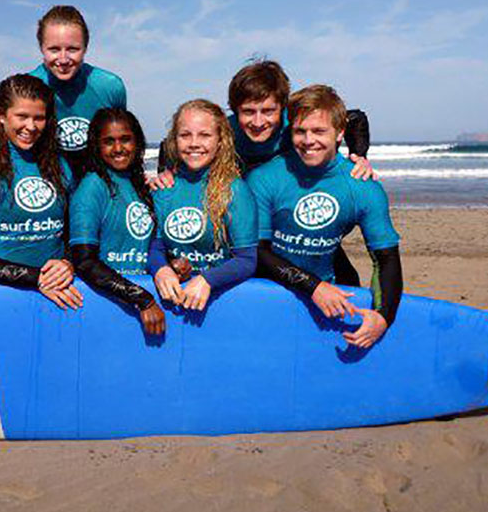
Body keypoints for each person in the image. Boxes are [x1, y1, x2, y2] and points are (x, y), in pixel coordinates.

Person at [154, 59, 372, 286]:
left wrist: (359, 156)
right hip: (246, 215)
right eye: (248, 111)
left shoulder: (296, 124)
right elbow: (170, 144)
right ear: (235, 108)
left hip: (288, 215)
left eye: (268, 111)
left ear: (283, 107)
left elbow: (355, 119)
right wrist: (167, 173)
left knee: (345, 276)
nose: (258, 122)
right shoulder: (226, 129)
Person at [247, 85, 403, 349]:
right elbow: (256, 252)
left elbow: (385, 260)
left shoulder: (363, 187)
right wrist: (314, 287)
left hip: (331, 294)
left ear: (340, 132)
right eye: (300, 131)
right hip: (266, 294)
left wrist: (383, 316)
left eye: (319, 131)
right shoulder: (264, 178)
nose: (309, 141)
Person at [0, 74, 82, 310]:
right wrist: (35, 278)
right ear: (1, 116)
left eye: (39, 118)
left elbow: (76, 236)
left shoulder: (62, 167)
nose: (31, 127)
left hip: (59, 295)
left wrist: (68, 263)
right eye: (22, 116)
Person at [149, 99, 258, 312]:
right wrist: (160, 269)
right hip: (176, 298)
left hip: (219, 299)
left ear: (220, 141)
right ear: (174, 140)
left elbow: (247, 260)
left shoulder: (235, 190)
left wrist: (206, 280)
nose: (193, 143)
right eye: (185, 135)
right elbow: (156, 246)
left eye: (204, 135)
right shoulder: (164, 187)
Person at [70, 108, 166, 335]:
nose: (118, 148)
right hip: (107, 302)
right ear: (96, 146)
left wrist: (170, 265)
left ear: (138, 141)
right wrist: (142, 299)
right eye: (108, 142)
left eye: (125, 139)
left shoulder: (139, 184)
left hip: (140, 301)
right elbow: (84, 261)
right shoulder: (92, 187)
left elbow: (144, 247)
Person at [29, 5, 127, 175]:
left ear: (85, 48)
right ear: (41, 48)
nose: (63, 59)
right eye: (54, 49)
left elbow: (122, 140)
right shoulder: (28, 88)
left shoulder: (110, 86)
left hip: (97, 182)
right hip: (50, 180)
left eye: (73, 49)